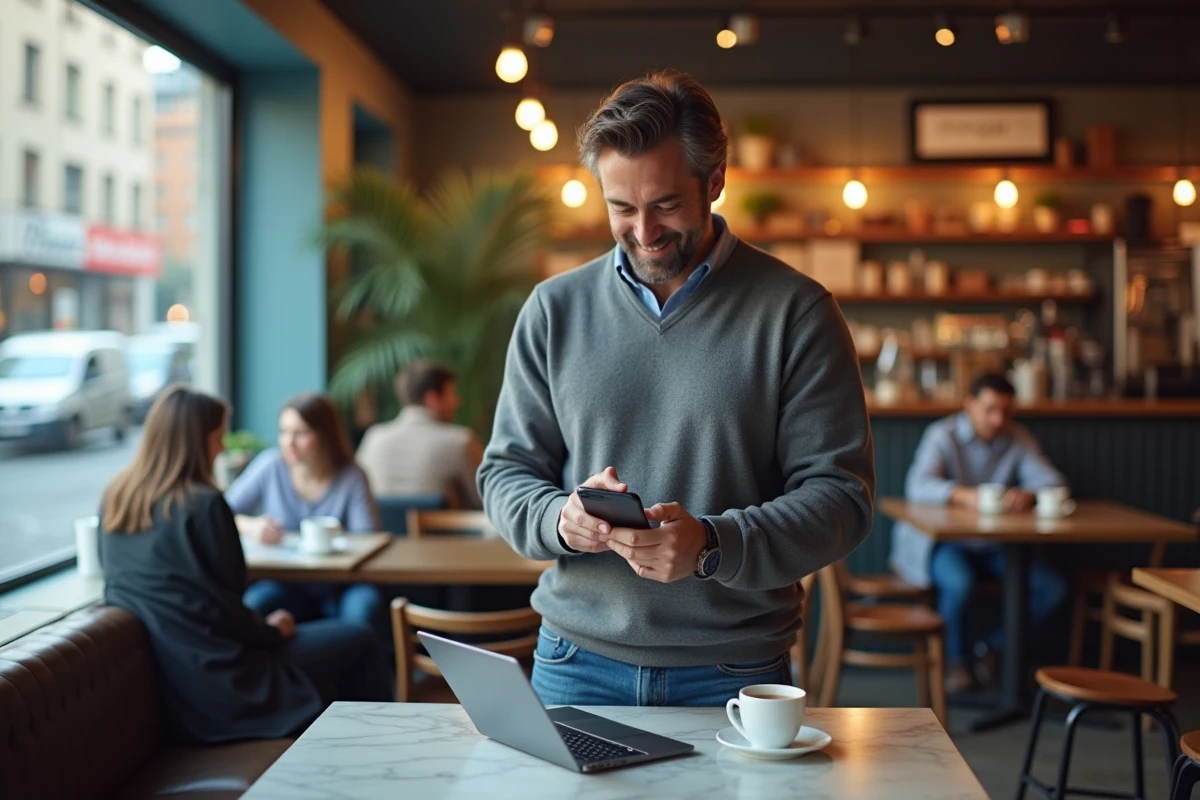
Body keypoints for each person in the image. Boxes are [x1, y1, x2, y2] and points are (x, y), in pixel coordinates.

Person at [477, 70, 875, 708]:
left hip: (734, 671)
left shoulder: (797, 312)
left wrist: (714, 545)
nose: (643, 231)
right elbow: (506, 473)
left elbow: (842, 499)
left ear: (714, 181)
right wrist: (561, 519)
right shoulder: (553, 310)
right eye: (621, 208)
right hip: (574, 660)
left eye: (664, 204)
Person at [98, 386, 391, 744]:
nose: (222, 449)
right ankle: (376, 748)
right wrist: (272, 631)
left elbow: (207, 603)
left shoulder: (116, 498)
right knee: (361, 638)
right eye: (217, 438)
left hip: (173, 676)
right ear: (195, 440)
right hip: (227, 677)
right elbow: (228, 606)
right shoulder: (205, 506)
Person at [890, 372, 1070, 693]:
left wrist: (1028, 494)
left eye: (1004, 411)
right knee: (959, 585)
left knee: (1052, 589)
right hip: (946, 543)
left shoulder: (1017, 438)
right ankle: (957, 662)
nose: (997, 419)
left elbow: (1054, 483)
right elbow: (917, 486)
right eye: (989, 410)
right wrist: (964, 495)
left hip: (997, 545)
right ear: (969, 404)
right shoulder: (941, 435)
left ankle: (992, 649)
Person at [228, 393, 386, 640]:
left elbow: (368, 537)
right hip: (286, 584)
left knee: (364, 606)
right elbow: (223, 512)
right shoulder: (270, 466)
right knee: (255, 602)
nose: (289, 442)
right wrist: (252, 526)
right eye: (284, 432)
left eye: (300, 433)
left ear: (325, 436)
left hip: (340, 586)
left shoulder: (351, 476)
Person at [357, 360, 483, 509]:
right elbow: (488, 500)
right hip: (443, 532)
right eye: (452, 394)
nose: (458, 402)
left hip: (381, 533)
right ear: (432, 398)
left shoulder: (373, 438)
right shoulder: (461, 441)